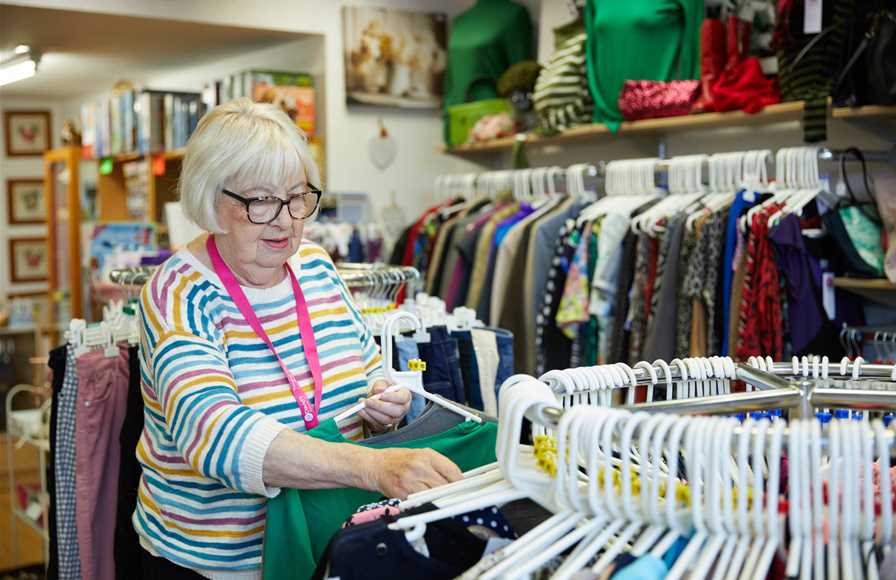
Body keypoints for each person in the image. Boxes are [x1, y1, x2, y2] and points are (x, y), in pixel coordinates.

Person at [134, 98, 462, 579]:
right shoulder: (178, 294)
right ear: (211, 198)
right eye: (262, 200)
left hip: (328, 539)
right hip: (216, 564)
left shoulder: (315, 265)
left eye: (296, 196)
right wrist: (374, 467)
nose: (286, 220)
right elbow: (216, 437)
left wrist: (381, 397)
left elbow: (367, 363)